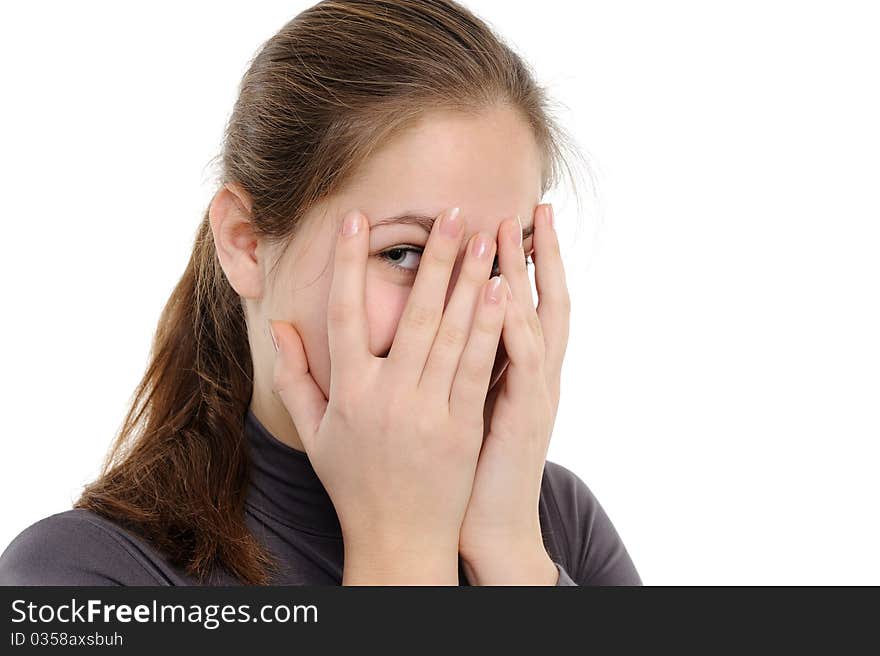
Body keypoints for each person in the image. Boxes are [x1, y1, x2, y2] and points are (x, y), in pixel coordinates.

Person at [0, 0, 640, 586]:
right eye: (405, 254)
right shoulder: (80, 574)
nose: (465, 315)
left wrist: (511, 556)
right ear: (246, 243)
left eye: (502, 262)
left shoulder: (557, 530)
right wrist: (403, 548)